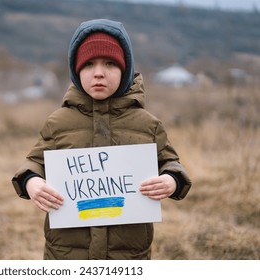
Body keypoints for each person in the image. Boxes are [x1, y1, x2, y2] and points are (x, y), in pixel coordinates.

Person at [11, 19, 192, 260]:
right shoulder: (57, 123)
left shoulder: (148, 125)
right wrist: (31, 182)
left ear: (125, 70)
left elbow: (171, 163)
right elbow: (33, 163)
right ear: (76, 72)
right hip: (67, 254)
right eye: (88, 64)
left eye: (110, 63)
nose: (98, 73)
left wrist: (171, 180)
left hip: (128, 255)